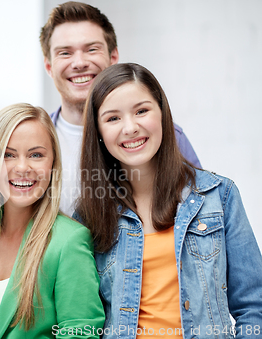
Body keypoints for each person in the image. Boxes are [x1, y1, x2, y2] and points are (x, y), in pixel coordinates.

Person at [76, 63, 262, 338]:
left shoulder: (219, 196)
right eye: (113, 118)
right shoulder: (89, 214)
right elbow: (83, 320)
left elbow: (253, 307)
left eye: (141, 111)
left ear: (162, 114)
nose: (130, 128)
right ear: (99, 133)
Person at [0, 103, 104, 338]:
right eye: (8, 155)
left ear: (52, 164)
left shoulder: (70, 240)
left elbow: (80, 331)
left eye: (36, 155)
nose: (22, 168)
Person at [40, 1, 201, 216]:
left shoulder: (163, 135)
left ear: (113, 58)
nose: (79, 63)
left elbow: (200, 212)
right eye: (65, 53)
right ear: (49, 66)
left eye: (92, 49)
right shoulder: (35, 143)